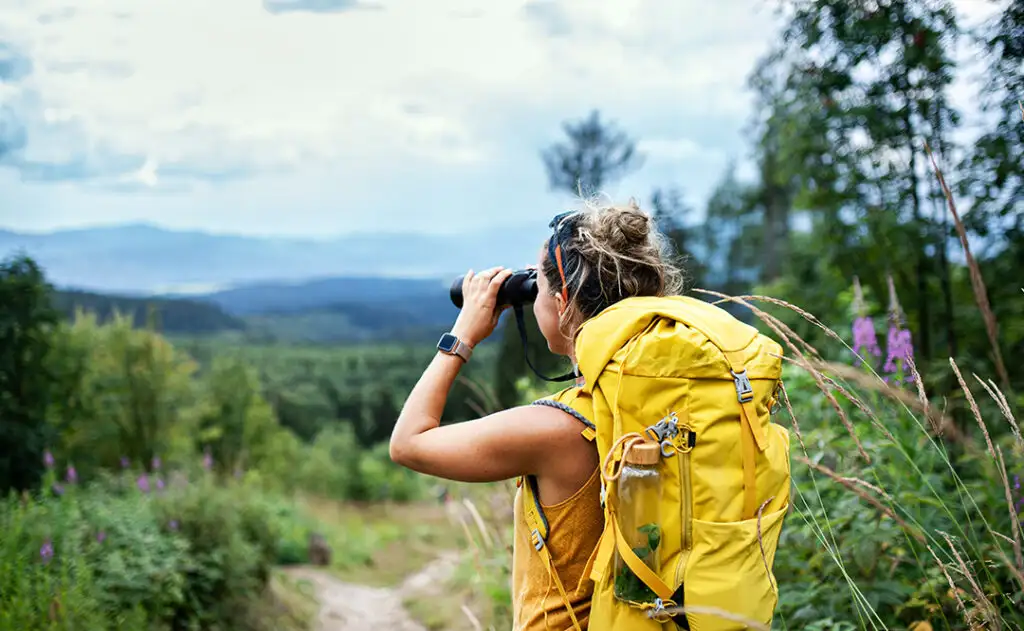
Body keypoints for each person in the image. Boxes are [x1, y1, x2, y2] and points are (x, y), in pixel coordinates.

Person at [389, 198, 684, 630]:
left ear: (563, 303)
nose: (533, 300)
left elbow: (408, 443)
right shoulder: (678, 403)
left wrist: (462, 335)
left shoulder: (558, 429)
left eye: (537, 289)